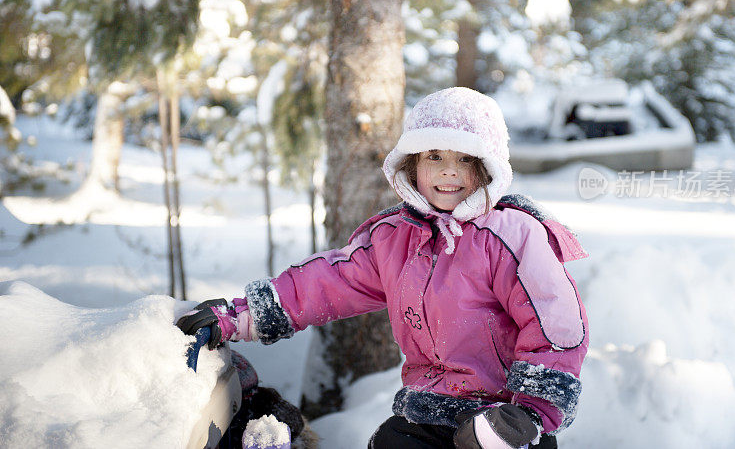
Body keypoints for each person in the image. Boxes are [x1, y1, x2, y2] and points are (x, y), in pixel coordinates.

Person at [177, 87, 589, 449]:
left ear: (488, 167)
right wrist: (245, 314)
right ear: (412, 164)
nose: (449, 171)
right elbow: (329, 282)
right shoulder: (396, 237)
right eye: (434, 156)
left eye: (465, 159)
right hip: (429, 412)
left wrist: (529, 413)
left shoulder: (512, 237)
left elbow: (556, 328)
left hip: (505, 419)